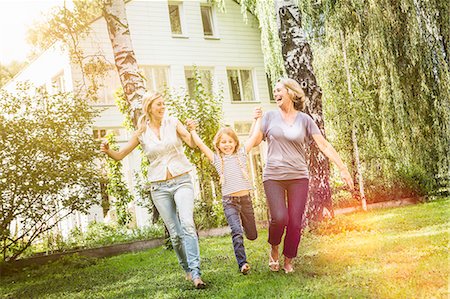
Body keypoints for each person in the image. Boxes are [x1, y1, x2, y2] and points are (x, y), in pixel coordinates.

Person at [100, 92, 206, 289]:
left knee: (188, 224)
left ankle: (197, 273)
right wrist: (107, 151)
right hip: (159, 187)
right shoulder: (141, 132)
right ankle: (187, 270)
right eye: (159, 104)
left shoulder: (173, 123)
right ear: (149, 108)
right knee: (175, 234)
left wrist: (192, 130)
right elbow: (121, 154)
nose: (163, 107)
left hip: (182, 180)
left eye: (164, 104)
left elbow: (191, 143)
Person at [252, 78, 354, 273]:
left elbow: (323, 144)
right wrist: (238, 153)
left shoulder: (305, 120)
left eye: (279, 90)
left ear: (291, 93)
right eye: (274, 91)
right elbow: (256, 140)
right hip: (273, 175)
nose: (275, 94)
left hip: (298, 176)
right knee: (279, 218)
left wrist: (342, 167)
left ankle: (288, 259)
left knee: (295, 221)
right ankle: (274, 248)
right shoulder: (269, 117)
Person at [185, 109, 262, 275]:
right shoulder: (217, 160)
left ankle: (249, 235)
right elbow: (200, 144)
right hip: (229, 202)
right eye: (223, 142)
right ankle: (243, 263)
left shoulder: (241, 154)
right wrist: (192, 130)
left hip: (245, 200)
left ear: (235, 142)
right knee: (236, 232)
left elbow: (254, 137)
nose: (227, 145)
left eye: (229, 141)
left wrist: (256, 119)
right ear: (218, 145)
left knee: (253, 235)